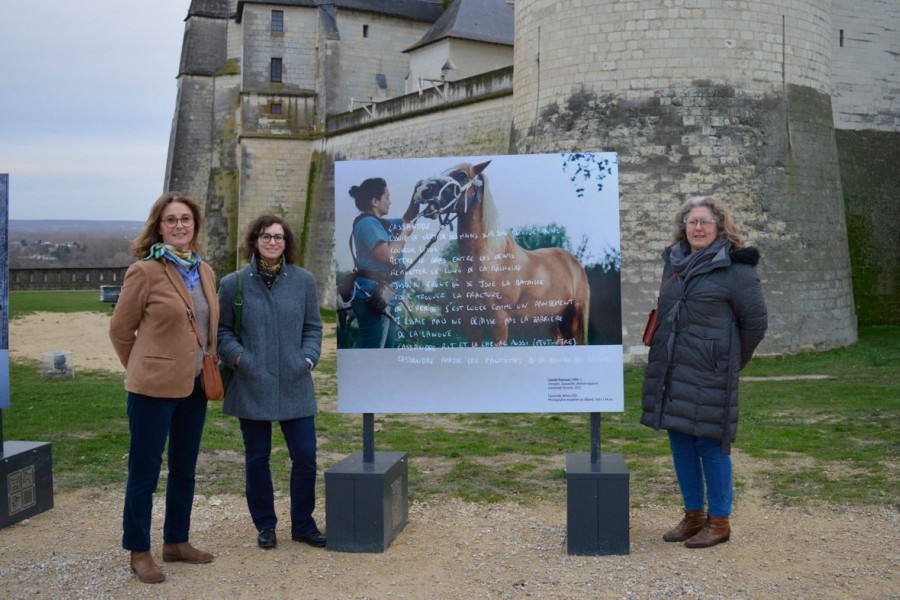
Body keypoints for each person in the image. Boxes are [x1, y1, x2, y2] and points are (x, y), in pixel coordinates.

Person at [641, 196, 768, 549]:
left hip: (710, 373)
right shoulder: (675, 264)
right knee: (680, 442)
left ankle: (720, 520)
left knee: (711, 446)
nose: (697, 228)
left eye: (705, 222)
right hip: (674, 369)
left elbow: (755, 323)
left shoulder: (736, 269)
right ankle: (694, 516)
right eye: (692, 222)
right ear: (684, 227)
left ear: (720, 227)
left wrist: (727, 362)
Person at [109, 192, 219, 583]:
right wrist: (143, 367)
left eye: (185, 219)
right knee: (145, 471)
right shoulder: (145, 271)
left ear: (195, 225)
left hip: (193, 387)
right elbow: (121, 331)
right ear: (159, 226)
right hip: (152, 389)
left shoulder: (204, 270)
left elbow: (207, 325)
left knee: (185, 468)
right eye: (170, 220)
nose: (179, 226)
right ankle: (139, 550)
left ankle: (176, 541)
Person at [217, 215, 325, 550]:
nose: (273, 242)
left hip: (295, 381)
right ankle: (265, 525)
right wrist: (240, 359)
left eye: (279, 237)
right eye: (266, 236)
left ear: (287, 242)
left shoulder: (303, 281)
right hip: (252, 382)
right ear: (254, 240)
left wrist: (306, 358)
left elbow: (313, 327)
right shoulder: (234, 283)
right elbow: (222, 332)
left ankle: (303, 525)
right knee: (257, 458)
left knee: (306, 457)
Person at [347, 177, 418, 348]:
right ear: (375, 201)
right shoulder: (368, 224)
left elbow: (407, 220)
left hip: (386, 296)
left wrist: (417, 197)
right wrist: (403, 236)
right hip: (374, 296)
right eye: (387, 197)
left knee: (385, 354)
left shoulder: (380, 223)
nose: (390, 202)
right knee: (372, 355)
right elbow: (387, 257)